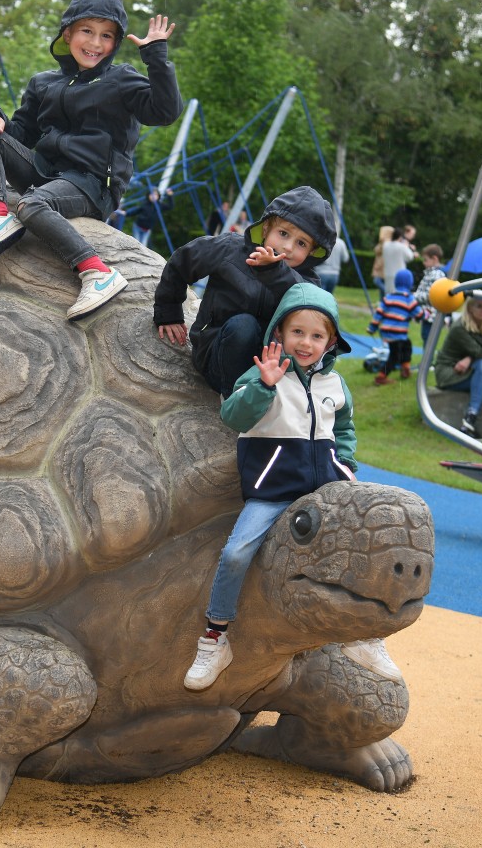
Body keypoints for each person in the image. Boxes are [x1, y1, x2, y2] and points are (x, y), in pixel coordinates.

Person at [0, 0, 181, 320]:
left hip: (92, 181)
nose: (95, 43)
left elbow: (164, 112)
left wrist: (155, 56)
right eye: (87, 31)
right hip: (46, 172)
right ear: (68, 33)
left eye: (106, 36)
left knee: (31, 204)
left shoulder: (121, 79)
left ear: (116, 42)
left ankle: (97, 271)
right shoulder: (43, 83)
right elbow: (22, 133)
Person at [183, 283, 356, 691]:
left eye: (317, 335)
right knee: (238, 552)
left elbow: (345, 427)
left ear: (331, 341)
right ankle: (215, 636)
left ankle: (363, 635)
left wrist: (345, 464)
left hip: (324, 490)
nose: (307, 342)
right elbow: (233, 416)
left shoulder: (335, 384)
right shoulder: (262, 371)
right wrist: (264, 386)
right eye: (298, 332)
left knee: (351, 547)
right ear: (279, 333)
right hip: (274, 488)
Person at [152, 186, 336, 397]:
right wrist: (169, 313)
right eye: (283, 233)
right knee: (244, 325)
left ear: (312, 251)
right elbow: (183, 261)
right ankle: (234, 397)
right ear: (266, 229)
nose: (288, 247)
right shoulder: (231, 249)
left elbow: (309, 311)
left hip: (271, 369)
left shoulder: (307, 283)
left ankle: (272, 398)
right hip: (217, 355)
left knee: (305, 339)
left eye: (301, 243)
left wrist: (275, 272)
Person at [434, 296, 482, 438]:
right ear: (470, 308)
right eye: (479, 306)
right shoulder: (460, 327)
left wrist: (469, 359)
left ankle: (469, 420)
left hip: (467, 370)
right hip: (448, 372)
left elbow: (481, 351)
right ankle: (470, 418)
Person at [366, 268, 424, 384]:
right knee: (394, 356)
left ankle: (405, 368)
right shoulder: (408, 298)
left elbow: (379, 313)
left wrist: (372, 328)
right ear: (410, 283)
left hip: (386, 331)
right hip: (398, 333)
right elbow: (419, 314)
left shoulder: (389, 297)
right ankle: (381, 376)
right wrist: (424, 315)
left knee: (407, 345)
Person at [414, 243, 447, 345]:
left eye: (425, 260)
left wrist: (414, 296)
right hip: (427, 315)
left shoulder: (437, 274)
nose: (424, 263)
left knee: (428, 339)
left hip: (432, 316)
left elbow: (431, 295)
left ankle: (427, 360)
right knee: (425, 337)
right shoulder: (430, 273)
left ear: (434, 259)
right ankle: (426, 360)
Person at [380, 227, 413, 296]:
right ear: (400, 237)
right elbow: (410, 257)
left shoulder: (386, 245)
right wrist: (406, 246)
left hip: (388, 273)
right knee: (398, 294)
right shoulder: (402, 246)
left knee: (388, 294)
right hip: (399, 274)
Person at [370, 225, 394, 298]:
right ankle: (383, 303)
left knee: (377, 281)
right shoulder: (382, 243)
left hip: (383, 267)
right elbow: (376, 250)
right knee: (380, 289)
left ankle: (389, 294)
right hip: (380, 267)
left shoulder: (387, 244)